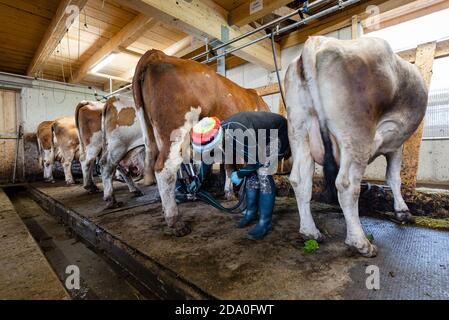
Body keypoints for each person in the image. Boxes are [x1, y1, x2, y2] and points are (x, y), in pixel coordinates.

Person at [189, 111, 290, 240]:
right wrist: (198, 180)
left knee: (263, 173)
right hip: (258, 138)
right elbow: (208, 157)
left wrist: (240, 173)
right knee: (251, 175)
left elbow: (260, 160)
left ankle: (265, 222)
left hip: (278, 134)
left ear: (218, 142)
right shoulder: (219, 135)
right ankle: (250, 213)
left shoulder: (239, 132)